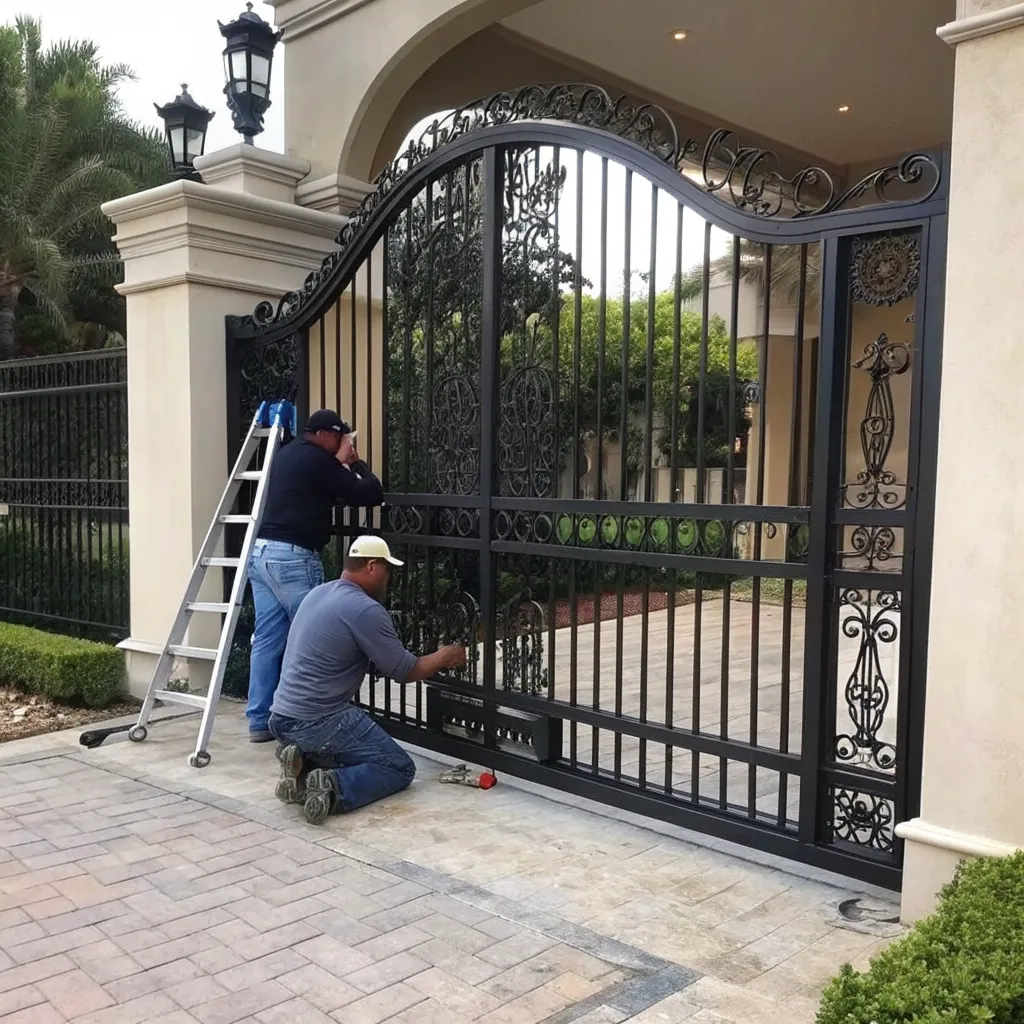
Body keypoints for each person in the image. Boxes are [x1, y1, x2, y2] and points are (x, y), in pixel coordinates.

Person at [269, 535, 467, 824]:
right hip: (319, 719)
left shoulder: (319, 593)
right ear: (372, 566)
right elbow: (404, 671)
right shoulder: (364, 609)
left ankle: (303, 763)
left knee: (352, 748)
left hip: (282, 717)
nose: (388, 578)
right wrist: (445, 655)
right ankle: (332, 787)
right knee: (398, 767)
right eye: (387, 569)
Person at [246, 409, 383, 742]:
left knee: (267, 639)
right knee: (315, 637)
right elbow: (370, 494)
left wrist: (339, 466)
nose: (342, 443)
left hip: (261, 553)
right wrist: (355, 462)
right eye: (341, 437)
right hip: (293, 558)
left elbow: (321, 493)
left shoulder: (288, 452)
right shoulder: (320, 461)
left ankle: (260, 720)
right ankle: (313, 718)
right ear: (325, 434)